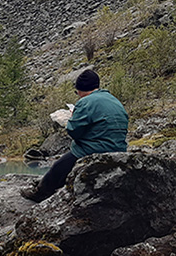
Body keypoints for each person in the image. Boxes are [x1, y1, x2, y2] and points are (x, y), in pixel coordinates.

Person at [21, 68, 129, 203]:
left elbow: (74, 132)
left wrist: (71, 118)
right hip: (119, 149)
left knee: (60, 165)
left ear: (81, 89)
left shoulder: (85, 102)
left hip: (96, 150)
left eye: (76, 91)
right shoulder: (113, 99)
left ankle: (41, 193)